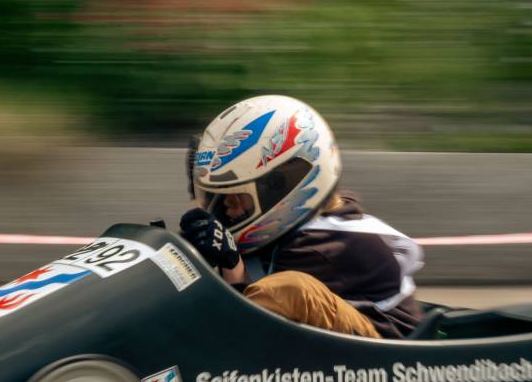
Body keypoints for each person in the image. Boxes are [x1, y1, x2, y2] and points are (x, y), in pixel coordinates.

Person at [179, 94, 423, 339]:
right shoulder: (310, 222)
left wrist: (231, 265)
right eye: (219, 198)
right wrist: (202, 213)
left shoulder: (326, 247)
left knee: (290, 289)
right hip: (344, 340)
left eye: (236, 198)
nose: (227, 210)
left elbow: (246, 314)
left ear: (281, 187)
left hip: (389, 354)